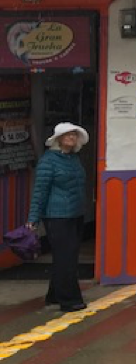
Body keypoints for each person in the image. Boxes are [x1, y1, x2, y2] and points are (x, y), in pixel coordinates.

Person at [27, 122, 89, 312]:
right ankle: (69, 300)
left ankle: (54, 295)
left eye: (74, 135)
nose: (72, 138)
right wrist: (33, 219)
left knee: (67, 257)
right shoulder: (48, 161)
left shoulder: (74, 158)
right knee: (66, 258)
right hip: (57, 216)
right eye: (67, 135)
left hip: (75, 214)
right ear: (58, 139)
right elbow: (40, 191)